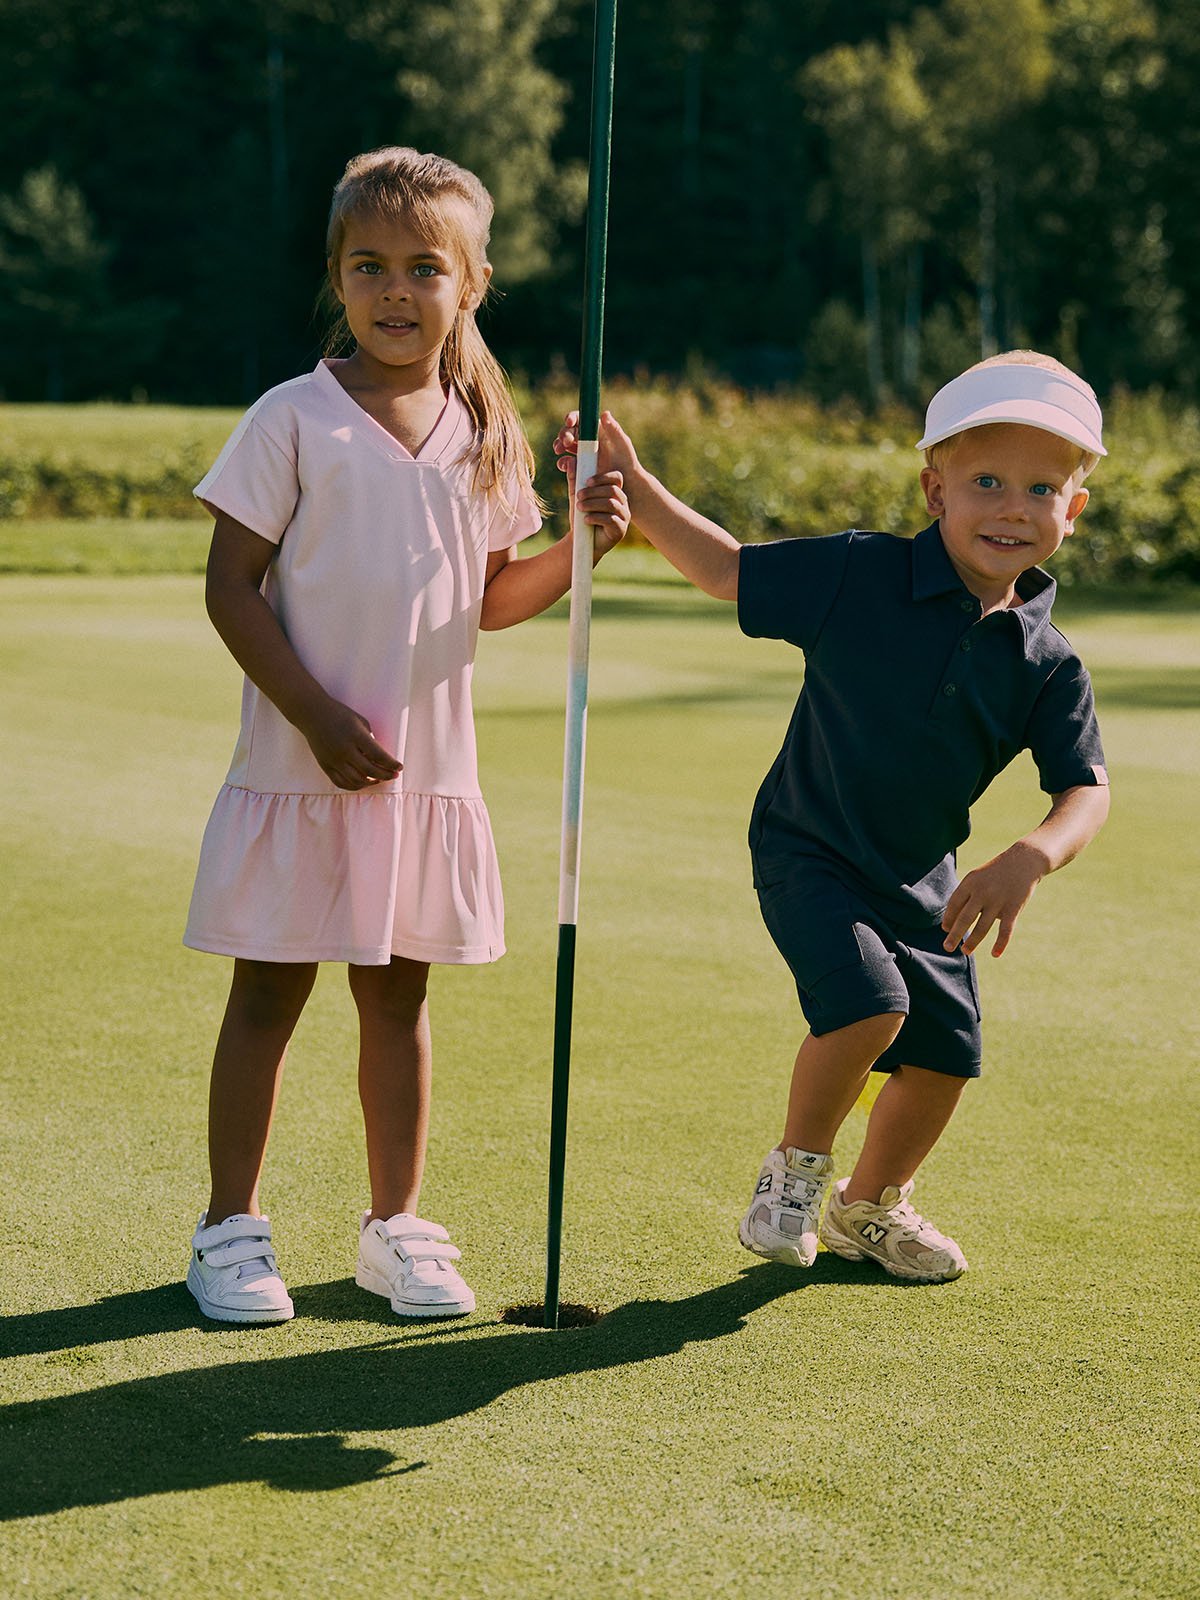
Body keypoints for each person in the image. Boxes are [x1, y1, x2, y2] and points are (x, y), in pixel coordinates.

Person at [183, 147, 629, 1325]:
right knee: (268, 998)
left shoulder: (484, 432)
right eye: (368, 266)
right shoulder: (292, 417)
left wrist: (586, 548)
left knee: (396, 1003)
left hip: (420, 775)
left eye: (423, 267)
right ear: (336, 276)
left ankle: (395, 1227)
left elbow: (490, 598)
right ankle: (230, 1227)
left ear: (471, 283)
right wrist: (316, 716)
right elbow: (232, 587)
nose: (394, 290)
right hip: (301, 762)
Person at [555, 352, 1110, 1282]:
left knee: (946, 1056)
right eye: (986, 482)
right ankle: (795, 1179)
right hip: (807, 847)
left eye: (1042, 489)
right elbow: (729, 571)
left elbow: (1085, 790)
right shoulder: (861, 573)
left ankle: (868, 1209)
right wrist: (638, 489)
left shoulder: (1048, 662)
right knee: (869, 1008)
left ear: (1073, 511)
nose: (1013, 507)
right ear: (935, 491)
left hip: (923, 881)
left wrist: (1031, 855)